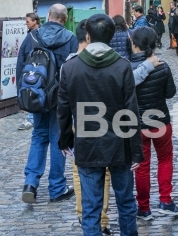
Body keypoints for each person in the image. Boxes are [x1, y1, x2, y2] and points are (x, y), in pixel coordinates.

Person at [57, 14, 143, 236]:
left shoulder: (70, 67)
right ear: (111, 35)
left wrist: (65, 140)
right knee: (125, 203)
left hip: (87, 143)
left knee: (91, 207)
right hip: (120, 144)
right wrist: (136, 151)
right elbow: (131, 110)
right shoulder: (123, 67)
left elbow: (63, 109)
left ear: (87, 35)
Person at [18, 3, 78, 204]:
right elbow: (73, 70)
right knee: (59, 140)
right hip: (60, 98)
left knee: (38, 136)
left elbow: (21, 67)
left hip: (36, 95)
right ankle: (57, 187)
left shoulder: (32, 37)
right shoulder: (70, 39)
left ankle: (30, 183)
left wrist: (25, 94)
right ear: (65, 19)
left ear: (47, 17)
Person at [130, 27, 178, 220]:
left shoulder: (126, 67)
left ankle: (143, 208)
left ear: (134, 44)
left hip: (137, 124)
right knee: (165, 160)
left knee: (142, 166)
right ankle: (166, 200)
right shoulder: (162, 66)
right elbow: (170, 93)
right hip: (160, 121)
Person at [68, 20, 112, 235]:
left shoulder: (69, 63)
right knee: (103, 172)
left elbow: (64, 103)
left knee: (80, 172)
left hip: (81, 124)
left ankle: (84, 216)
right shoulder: (111, 61)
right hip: (107, 123)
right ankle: (100, 220)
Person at [17, 12, 41, 131]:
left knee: (32, 91)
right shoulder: (33, 34)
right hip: (35, 69)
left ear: (35, 21)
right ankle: (32, 117)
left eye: (28, 21)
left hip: (33, 69)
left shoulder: (34, 35)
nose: (26, 24)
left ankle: (31, 118)